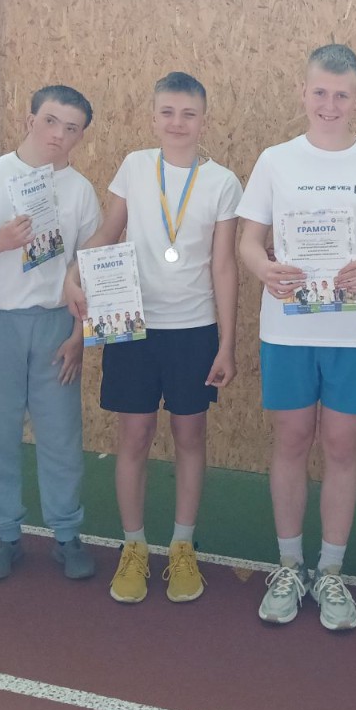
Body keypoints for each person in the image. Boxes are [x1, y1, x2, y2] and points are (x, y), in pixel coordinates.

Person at [238, 44, 356, 631]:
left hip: (353, 333)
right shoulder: (275, 160)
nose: (330, 104)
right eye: (320, 92)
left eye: (342, 94)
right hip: (288, 328)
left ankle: (330, 571)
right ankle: (289, 565)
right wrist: (263, 268)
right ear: (303, 92)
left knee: (341, 446)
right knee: (291, 440)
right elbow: (247, 240)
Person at [67, 71, 241, 604]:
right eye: (168, 112)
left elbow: (225, 266)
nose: (177, 123)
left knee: (190, 437)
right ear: (153, 116)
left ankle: (182, 546)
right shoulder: (135, 166)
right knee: (135, 437)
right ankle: (135, 546)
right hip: (131, 326)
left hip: (194, 330)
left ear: (204, 119)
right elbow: (108, 231)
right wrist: (76, 270)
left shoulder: (223, 182)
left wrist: (227, 343)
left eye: (188, 114)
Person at [0, 85, 101, 582]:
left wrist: (79, 335)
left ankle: (66, 533)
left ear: (80, 136)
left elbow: (88, 269)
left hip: (54, 326)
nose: (58, 134)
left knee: (61, 435)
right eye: (51, 121)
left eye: (71, 128)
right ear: (30, 119)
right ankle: (5, 533)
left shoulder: (80, 191)